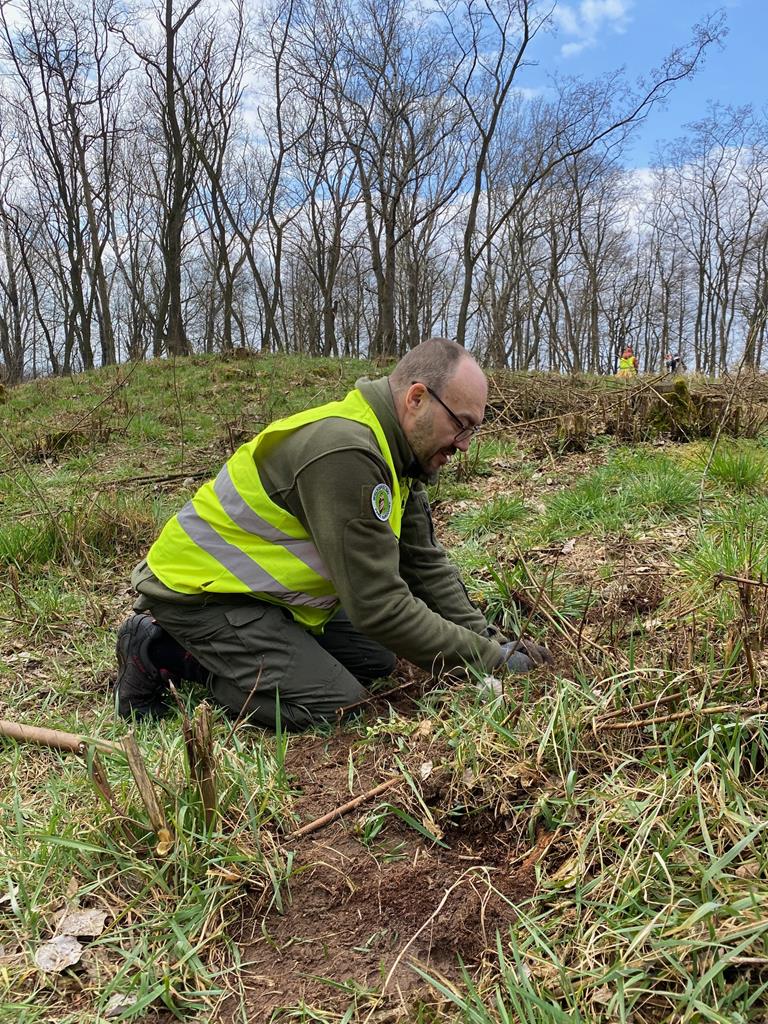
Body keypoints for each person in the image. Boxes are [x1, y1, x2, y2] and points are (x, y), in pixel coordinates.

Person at [115, 338, 553, 730]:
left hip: (265, 595)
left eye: (473, 429)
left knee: (377, 660)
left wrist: (490, 640)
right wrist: (490, 662)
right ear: (417, 398)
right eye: (461, 424)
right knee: (334, 704)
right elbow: (378, 606)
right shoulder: (349, 453)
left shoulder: (399, 453)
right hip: (202, 594)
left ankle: (261, 653)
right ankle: (165, 654)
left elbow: (424, 565)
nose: (464, 444)